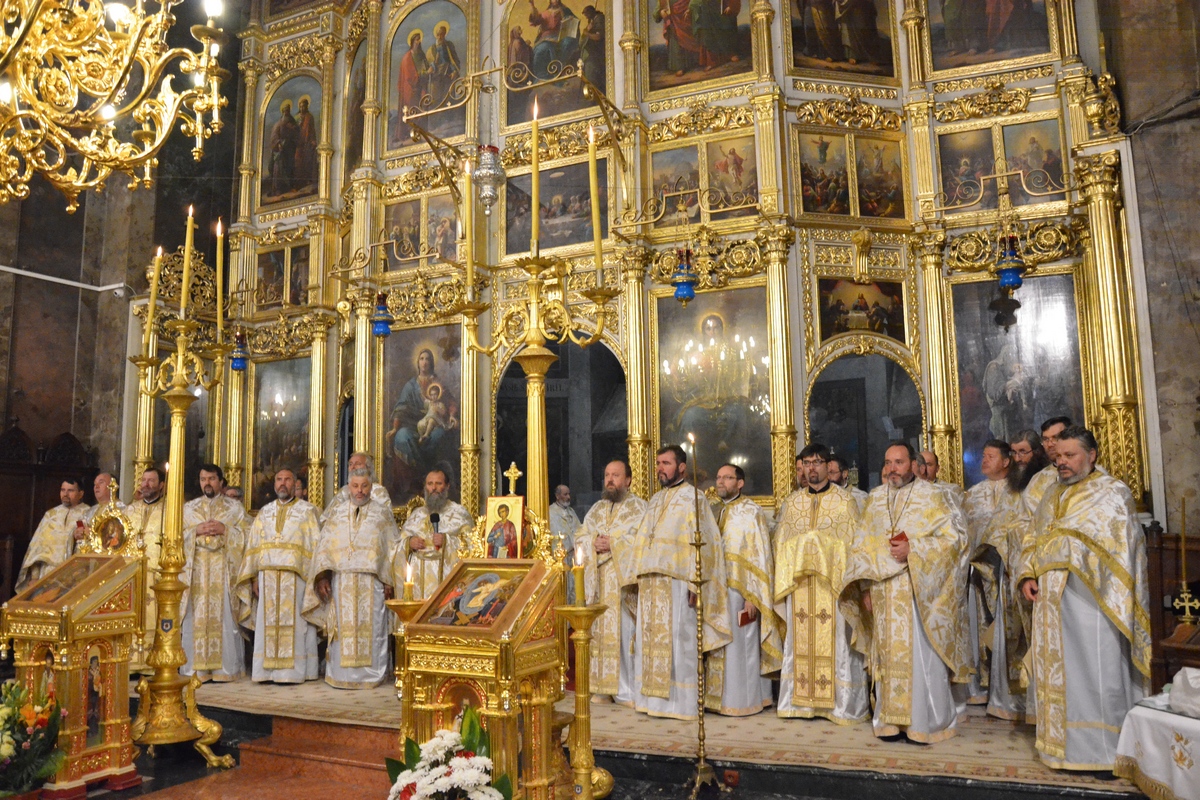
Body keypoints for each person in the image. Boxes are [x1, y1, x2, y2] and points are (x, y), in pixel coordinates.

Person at [1017, 426, 1149, 770]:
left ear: (1091, 455)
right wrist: (1028, 573)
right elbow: (1034, 536)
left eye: (1069, 456)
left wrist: (1053, 549)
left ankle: (1104, 753)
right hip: (1051, 599)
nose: (1061, 463)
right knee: (1061, 674)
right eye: (1057, 457)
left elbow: (1112, 544)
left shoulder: (1112, 492)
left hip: (1092, 600)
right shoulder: (1051, 495)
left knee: (1096, 671)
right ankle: (1060, 747)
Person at [841, 442, 970, 742]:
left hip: (920, 591)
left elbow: (956, 541)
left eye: (898, 462)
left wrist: (915, 549)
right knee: (887, 655)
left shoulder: (934, 496)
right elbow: (861, 545)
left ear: (914, 465)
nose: (892, 469)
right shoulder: (875, 499)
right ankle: (889, 721)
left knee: (920, 657)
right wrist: (863, 588)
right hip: (883, 591)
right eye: (888, 463)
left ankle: (925, 722)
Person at [627, 445, 730, 720]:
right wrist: (636, 578)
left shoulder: (693, 498)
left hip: (678, 584)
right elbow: (641, 542)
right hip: (651, 585)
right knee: (650, 644)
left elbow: (706, 543)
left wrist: (697, 583)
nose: (661, 468)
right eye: (659, 463)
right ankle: (650, 701)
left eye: (666, 463)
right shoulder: (655, 500)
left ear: (682, 467)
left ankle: (681, 705)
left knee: (679, 642)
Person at [774, 444, 868, 723]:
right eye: (807, 462)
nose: (812, 467)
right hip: (800, 586)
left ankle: (840, 706)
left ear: (828, 466)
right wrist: (803, 549)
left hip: (833, 587)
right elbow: (780, 543)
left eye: (818, 462)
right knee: (798, 642)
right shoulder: (792, 504)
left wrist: (820, 548)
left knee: (838, 643)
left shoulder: (844, 502)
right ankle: (800, 703)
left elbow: (853, 545)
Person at [305, 469, 399, 689]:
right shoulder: (336, 512)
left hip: (371, 583)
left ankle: (372, 675)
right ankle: (340, 673)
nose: (359, 491)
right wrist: (322, 577)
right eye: (355, 486)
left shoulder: (382, 513)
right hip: (342, 580)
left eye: (364, 486)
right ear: (348, 486)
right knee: (341, 628)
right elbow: (324, 547)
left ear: (371, 486)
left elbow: (393, 548)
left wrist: (389, 581)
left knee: (373, 627)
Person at [235, 468, 321, 683]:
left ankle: (294, 673)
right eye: (279, 479)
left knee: (299, 626)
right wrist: (253, 577)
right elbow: (253, 547)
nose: (283, 484)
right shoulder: (264, 512)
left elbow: (316, 546)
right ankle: (266, 672)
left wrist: (317, 578)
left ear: (295, 484)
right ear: (274, 484)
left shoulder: (309, 512)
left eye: (287, 480)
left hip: (297, 578)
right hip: (267, 577)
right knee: (267, 624)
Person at [960, 441, 1026, 717]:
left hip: (1008, 573)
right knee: (978, 626)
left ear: (1006, 461)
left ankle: (1009, 692)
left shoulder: (1020, 492)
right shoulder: (972, 495)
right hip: (977, 574)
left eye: (990, 456)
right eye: (983, 456)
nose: (983, 461)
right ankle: (980, 686)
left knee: (1008, 630)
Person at [576, 460, 646, 704]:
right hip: (599, 581)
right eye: (607, 475)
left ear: (628, 480)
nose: (610, 480)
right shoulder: (596, 508)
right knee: (599, 634)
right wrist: (591, 543)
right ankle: (602, 687)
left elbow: (642, 542)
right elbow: (581, 535)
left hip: (623, 584)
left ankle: (626, 690)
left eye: (616, 475)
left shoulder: (639, 508)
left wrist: (614, 543)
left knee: (625, 634)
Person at [711, 464, 779, 716]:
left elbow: (761, 556)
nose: (721, 482)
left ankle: (746, 701)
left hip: (742, 592)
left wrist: (753, 596)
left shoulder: (752, 512)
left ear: (740, 483)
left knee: (743, 646)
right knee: (722, 645)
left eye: (727, 478)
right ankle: (719, 700)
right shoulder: (713, 511)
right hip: (717, 589)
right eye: (718, 477)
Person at [181, 464, 247, 683]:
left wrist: (225, 530)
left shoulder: (234, 508)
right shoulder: (188, 509)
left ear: (220, 481)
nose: (206, 483)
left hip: (223, 574)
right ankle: (195, 670)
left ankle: (225, 670)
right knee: (195, 618)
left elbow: (248, 535)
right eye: (202, 479)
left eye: (211, 478)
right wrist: (194, 531)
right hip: (196, 573)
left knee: (225, 618)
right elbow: (175, 537)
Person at [396, 469, 474, 599]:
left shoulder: (460, 514)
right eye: (430, 483)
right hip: (417, 580)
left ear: (447, 486)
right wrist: (409, 542)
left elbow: (471, 546)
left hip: (445, 577)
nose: (434, 488)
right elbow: (397, 546)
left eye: (438, 483)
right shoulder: (416, 515)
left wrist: (447, 541)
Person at [17, 478, 90, 592]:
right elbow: (36, 548)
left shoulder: (89, 513)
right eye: (63, 490)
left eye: (70, 490)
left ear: (81, 494)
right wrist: (35, 577)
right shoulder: (50, 515)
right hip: (47, 573)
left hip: (74, 572)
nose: (65, 494)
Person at [129, 467, 167, 670]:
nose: (146, 484)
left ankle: (151, 664)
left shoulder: (169, 510)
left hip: (156, 572)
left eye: (151, 481)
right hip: (132, 573)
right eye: (143, 480)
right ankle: (131, 663)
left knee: (155, 619)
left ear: (161, 485)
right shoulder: (130, 510)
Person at [321, 452, 393, 526]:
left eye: (358, 464)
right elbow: (327, 519)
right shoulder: (344, 491)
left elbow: (387, 520)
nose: (353, 467)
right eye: (350, 464)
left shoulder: (378, 491)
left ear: (368, 467)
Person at [1022, 417, 1070, 515]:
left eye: (1055, 438)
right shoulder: (1037, 480)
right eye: (1046, 439)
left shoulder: (1087, 472)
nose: (1049, 444)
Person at [268, 100, 298, 197]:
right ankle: (277, 189)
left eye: (288, 110)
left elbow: (297, 134)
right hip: (280, 151)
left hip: (290, 150)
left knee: (290, 167)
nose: (287, 112)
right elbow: (274, 136)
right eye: (285, 111)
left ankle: (290, 187)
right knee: (279, 169)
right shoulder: (278, 124)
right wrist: (278, 143)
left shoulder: (293, 123)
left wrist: (293, 130)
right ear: (283, 112)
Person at [293, 95, 318, 189]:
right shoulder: (296, 117)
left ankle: (307, 179)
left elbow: (312, 130)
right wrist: (297, 127)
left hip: (307, 141)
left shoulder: (309, 117)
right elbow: (292, 131)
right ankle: (299, 181)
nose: (302, 108)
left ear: (307, 106)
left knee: (307, 161)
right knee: (298, 161)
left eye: (303, 106)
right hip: (298, 142)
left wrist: (313, 140)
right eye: (300, 106)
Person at [579, 6, 606, 87]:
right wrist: (586, 31)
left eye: (586, 14)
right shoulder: (591, 21)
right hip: (589, 53)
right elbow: (582, 39)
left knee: (591, 74)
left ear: (590, 12)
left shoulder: (599, 19)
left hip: (595, 53)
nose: (586, 16)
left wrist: (587, 33)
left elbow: (598, 37)